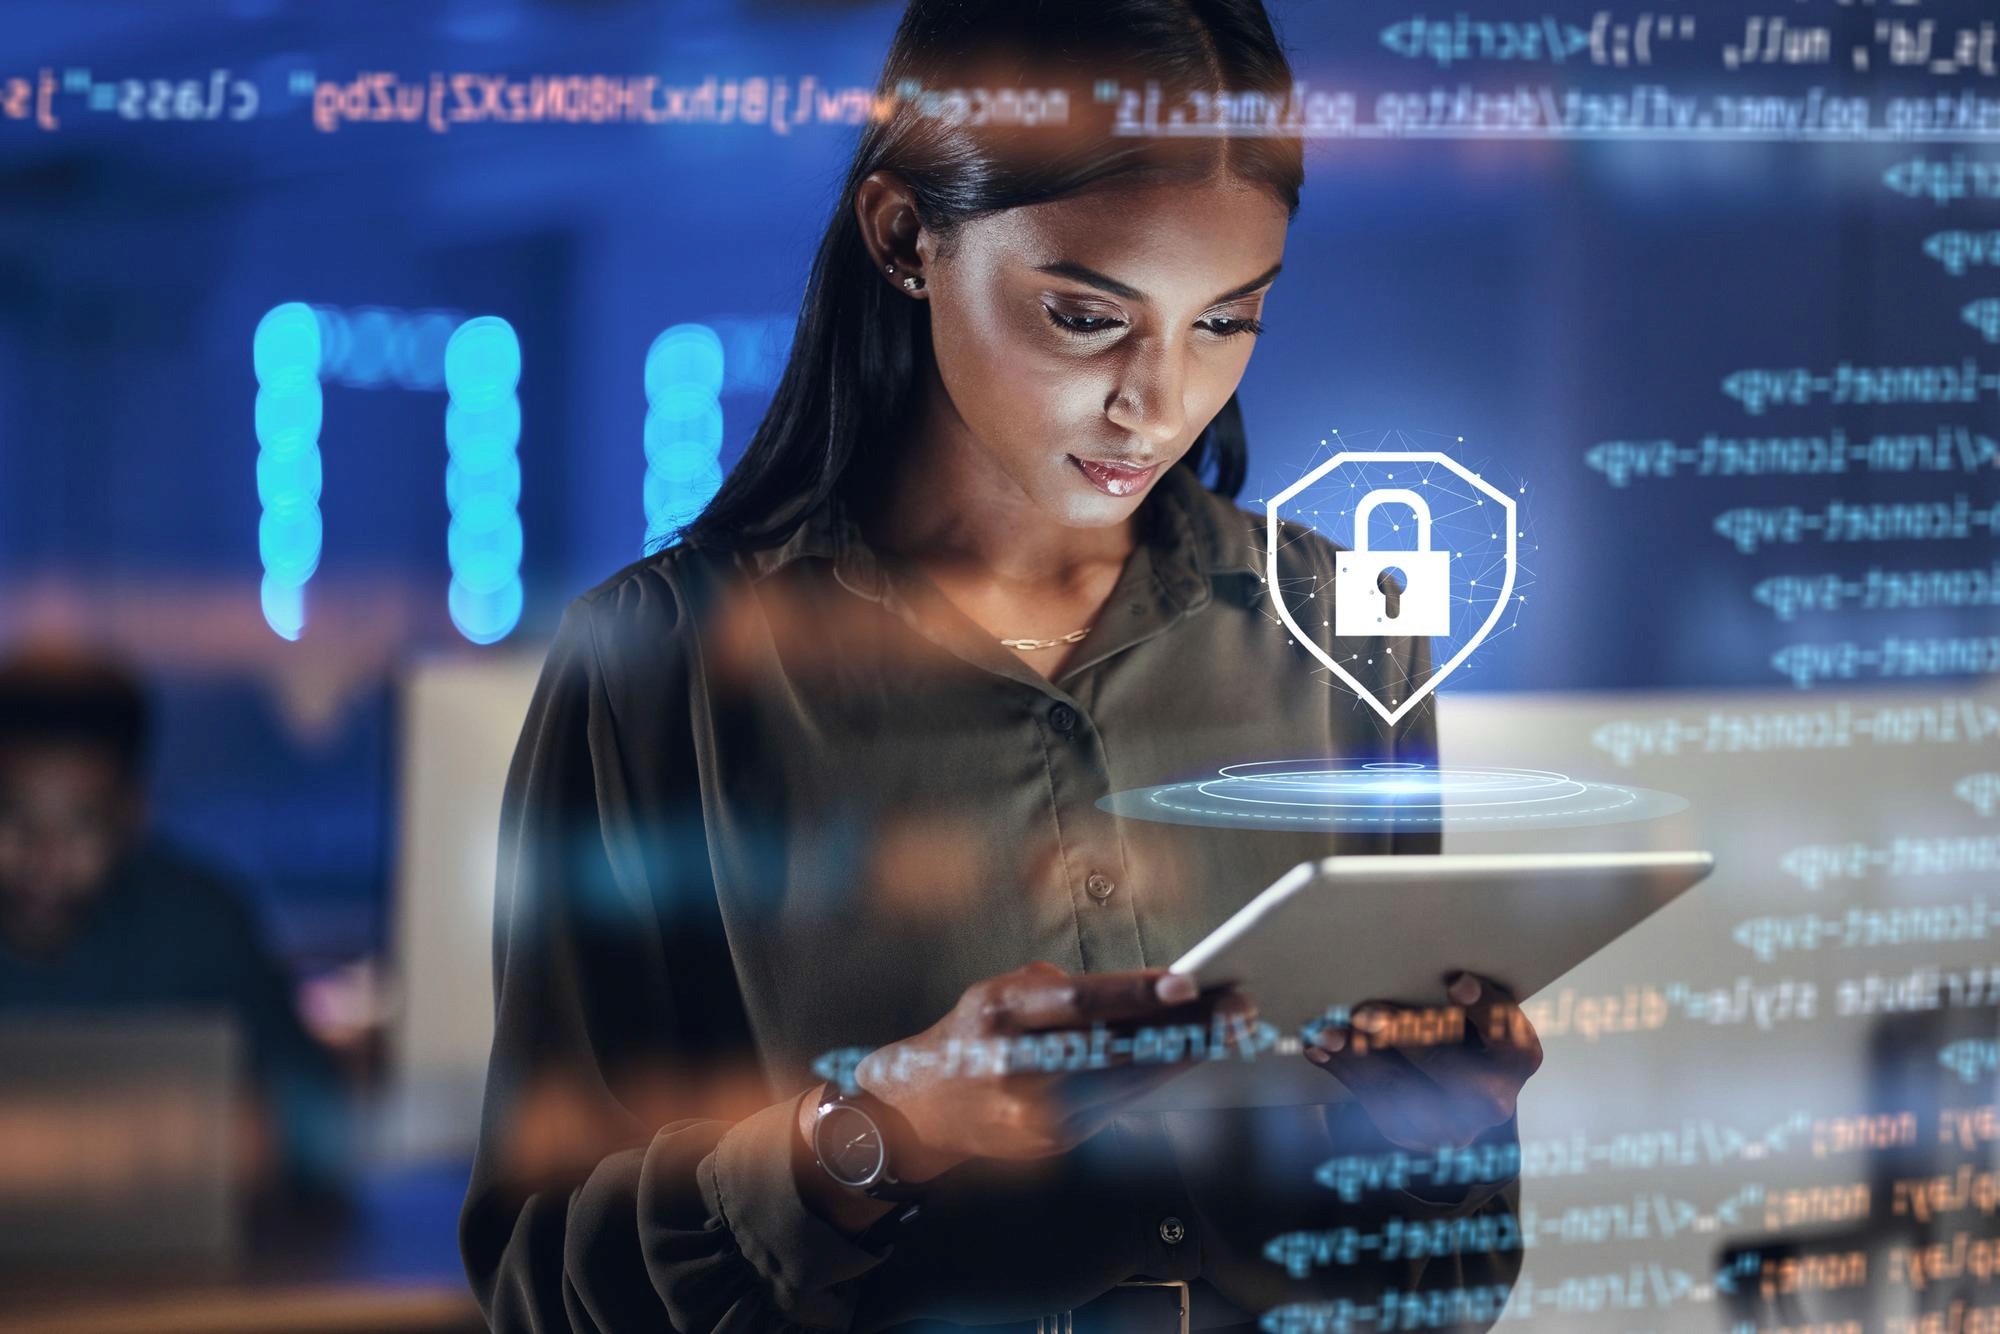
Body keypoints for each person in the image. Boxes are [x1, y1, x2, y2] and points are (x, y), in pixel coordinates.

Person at [460, 1, 1540, 1329]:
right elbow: (541, 1283)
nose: (1159, 401)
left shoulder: (1345, 620)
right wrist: (879, 1130)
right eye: (1088, 317)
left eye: (1225, 322)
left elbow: (1440, 1290)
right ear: (904, 236)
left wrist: (1449, 1137)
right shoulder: (660, 668)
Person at [0, 640, 350, 1208]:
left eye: (78, 827)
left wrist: (265, 1133)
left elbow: (328, 1129)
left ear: (132, 813)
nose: (43, 860)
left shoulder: (203, 921)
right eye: (12, 818)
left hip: (176, 1290)